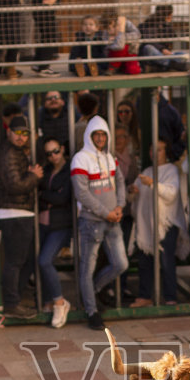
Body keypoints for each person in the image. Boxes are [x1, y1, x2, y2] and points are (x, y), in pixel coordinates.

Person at [71, 115, 128, 329]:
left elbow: (120, 181)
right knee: (87, 266)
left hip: (113, 220)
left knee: (121, 264)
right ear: (89, 136)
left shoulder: (109, 158)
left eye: (104, 134)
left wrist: (120, 206)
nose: (101, 138)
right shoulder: (80, 159)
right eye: (97, 134)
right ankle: (92, 311)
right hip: (91, 222)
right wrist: (106, 212)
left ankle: (92, 291)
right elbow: (82, 194)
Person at [0, 118, 42, 319]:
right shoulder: (8, 153)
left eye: (25, 134)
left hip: (20, 212)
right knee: (15, 261)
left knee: (25, 259)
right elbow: (14, 185)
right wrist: (34, 176)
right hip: (14, 213)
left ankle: (16, 298)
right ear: (8, 132)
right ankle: (12, 303)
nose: (21, 137)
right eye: (18, 133)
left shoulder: (14, 152)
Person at [130, 137, 184, 305]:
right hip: (146, 224)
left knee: (166, 262)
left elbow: (171, 193)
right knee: (145, 261)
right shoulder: (146, 171)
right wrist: (132, 190)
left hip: (166, 224)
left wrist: (153, 184)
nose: (155, 153)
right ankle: (145, 296)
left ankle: (170, 298)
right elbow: (132, 196)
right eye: (153, 149)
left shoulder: (171, 170)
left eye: (159, 149)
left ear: (166, 152)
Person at [35, 136, 74, 326]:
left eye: (56, 151)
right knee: (39, 261)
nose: (53, 156)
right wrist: (49, 196)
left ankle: (60, 302)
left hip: (61, 225)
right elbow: (39, 194)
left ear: (63, 148)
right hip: (44, 223)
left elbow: (63, 198)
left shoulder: (69, 170)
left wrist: (45, 195)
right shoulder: (48, 169)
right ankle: (49, 300)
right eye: (49, 153)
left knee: (44, 260)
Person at [138, 4, 187, 72]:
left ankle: (163, 66)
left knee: (183, 55)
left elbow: (173, 38)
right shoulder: (149, 23)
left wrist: (168, 25)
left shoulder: (166, 25)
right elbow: (149, 41)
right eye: (171, 14)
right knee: (148, 48)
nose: (172, 16)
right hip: (153, 55)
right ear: (167, 15)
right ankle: (171, 65)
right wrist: (162, 49)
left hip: (164, 55)